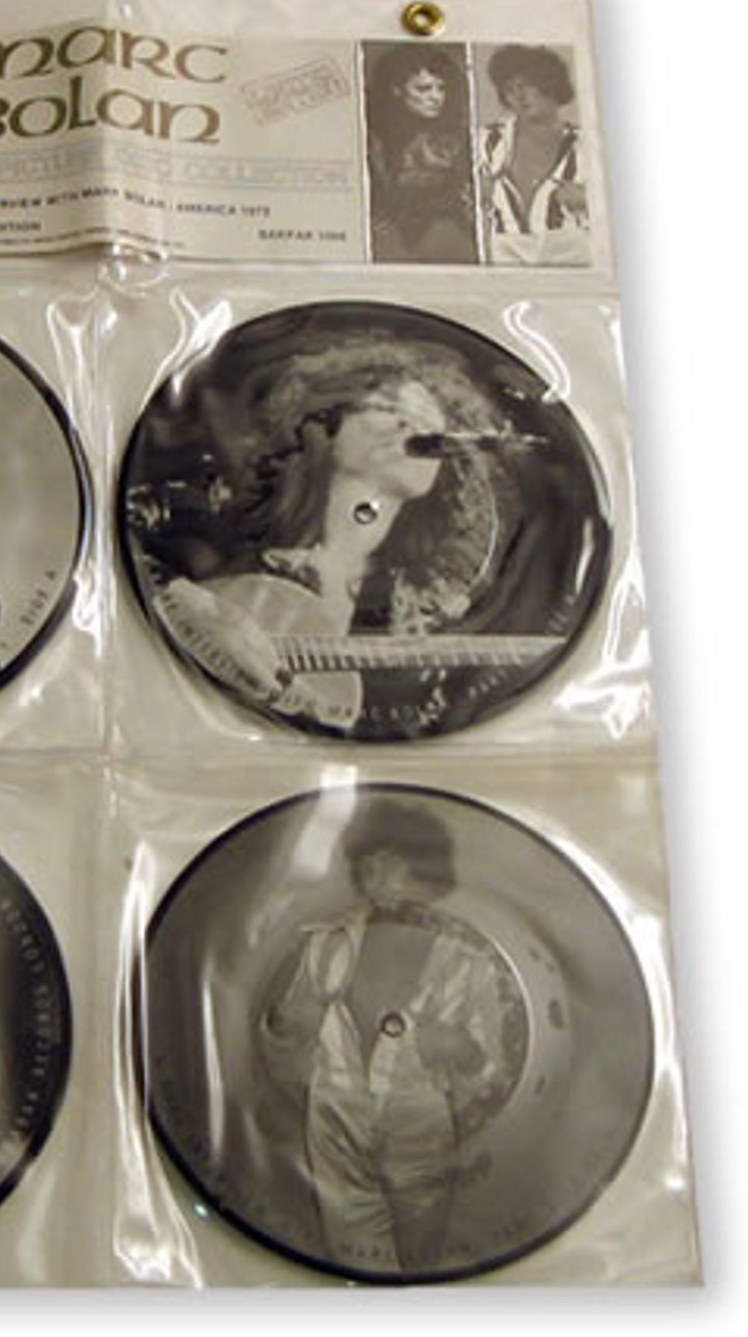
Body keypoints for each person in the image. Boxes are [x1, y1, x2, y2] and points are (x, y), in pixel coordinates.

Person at [131, 356, 493, 731]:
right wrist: (188, 602)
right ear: (325, 422)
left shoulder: (416, 604)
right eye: (388, 407)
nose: (411, 427)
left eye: (429, 422)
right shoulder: (213, 517)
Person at [257, 800, 522, 1273]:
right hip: (334, 1118)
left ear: (427, 873)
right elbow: (281, 1045)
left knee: (422, 1257)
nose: (380, 878)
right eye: (370, 865)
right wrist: (285, 1022)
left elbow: (492, 1071)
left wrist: (460, 1049)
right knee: (351, 1254)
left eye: (394, 864)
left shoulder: (468, 962)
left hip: (420, 1124)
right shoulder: (326, 945)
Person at [365, 44, 478, 263]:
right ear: (397, 89)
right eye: (424, 89)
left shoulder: (461, 138)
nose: (436, 97)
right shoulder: (373, 140)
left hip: (451, 242)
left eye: (441, 88)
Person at [480, 45, 589, 265]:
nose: (518, 95)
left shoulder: (587, 147)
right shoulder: (486, 142)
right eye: (509, 88)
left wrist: (593, 202)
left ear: (551, 84)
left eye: (527, 85)